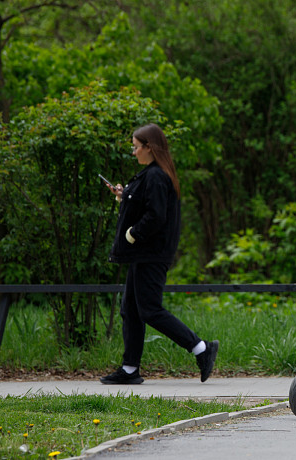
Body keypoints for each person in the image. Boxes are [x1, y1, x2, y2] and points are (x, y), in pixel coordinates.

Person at [100, 123, 218, 384]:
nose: (133, 152)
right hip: (144, 254)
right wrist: (124, 195)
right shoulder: (153, 174)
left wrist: (131, 234)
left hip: (149, 253)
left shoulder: (155, 176)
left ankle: (201, 348)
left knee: (150, 310)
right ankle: (130, 369)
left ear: (149, 147)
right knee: (130, 309)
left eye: (136, 147)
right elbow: (146, 204)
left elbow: (155, 216)